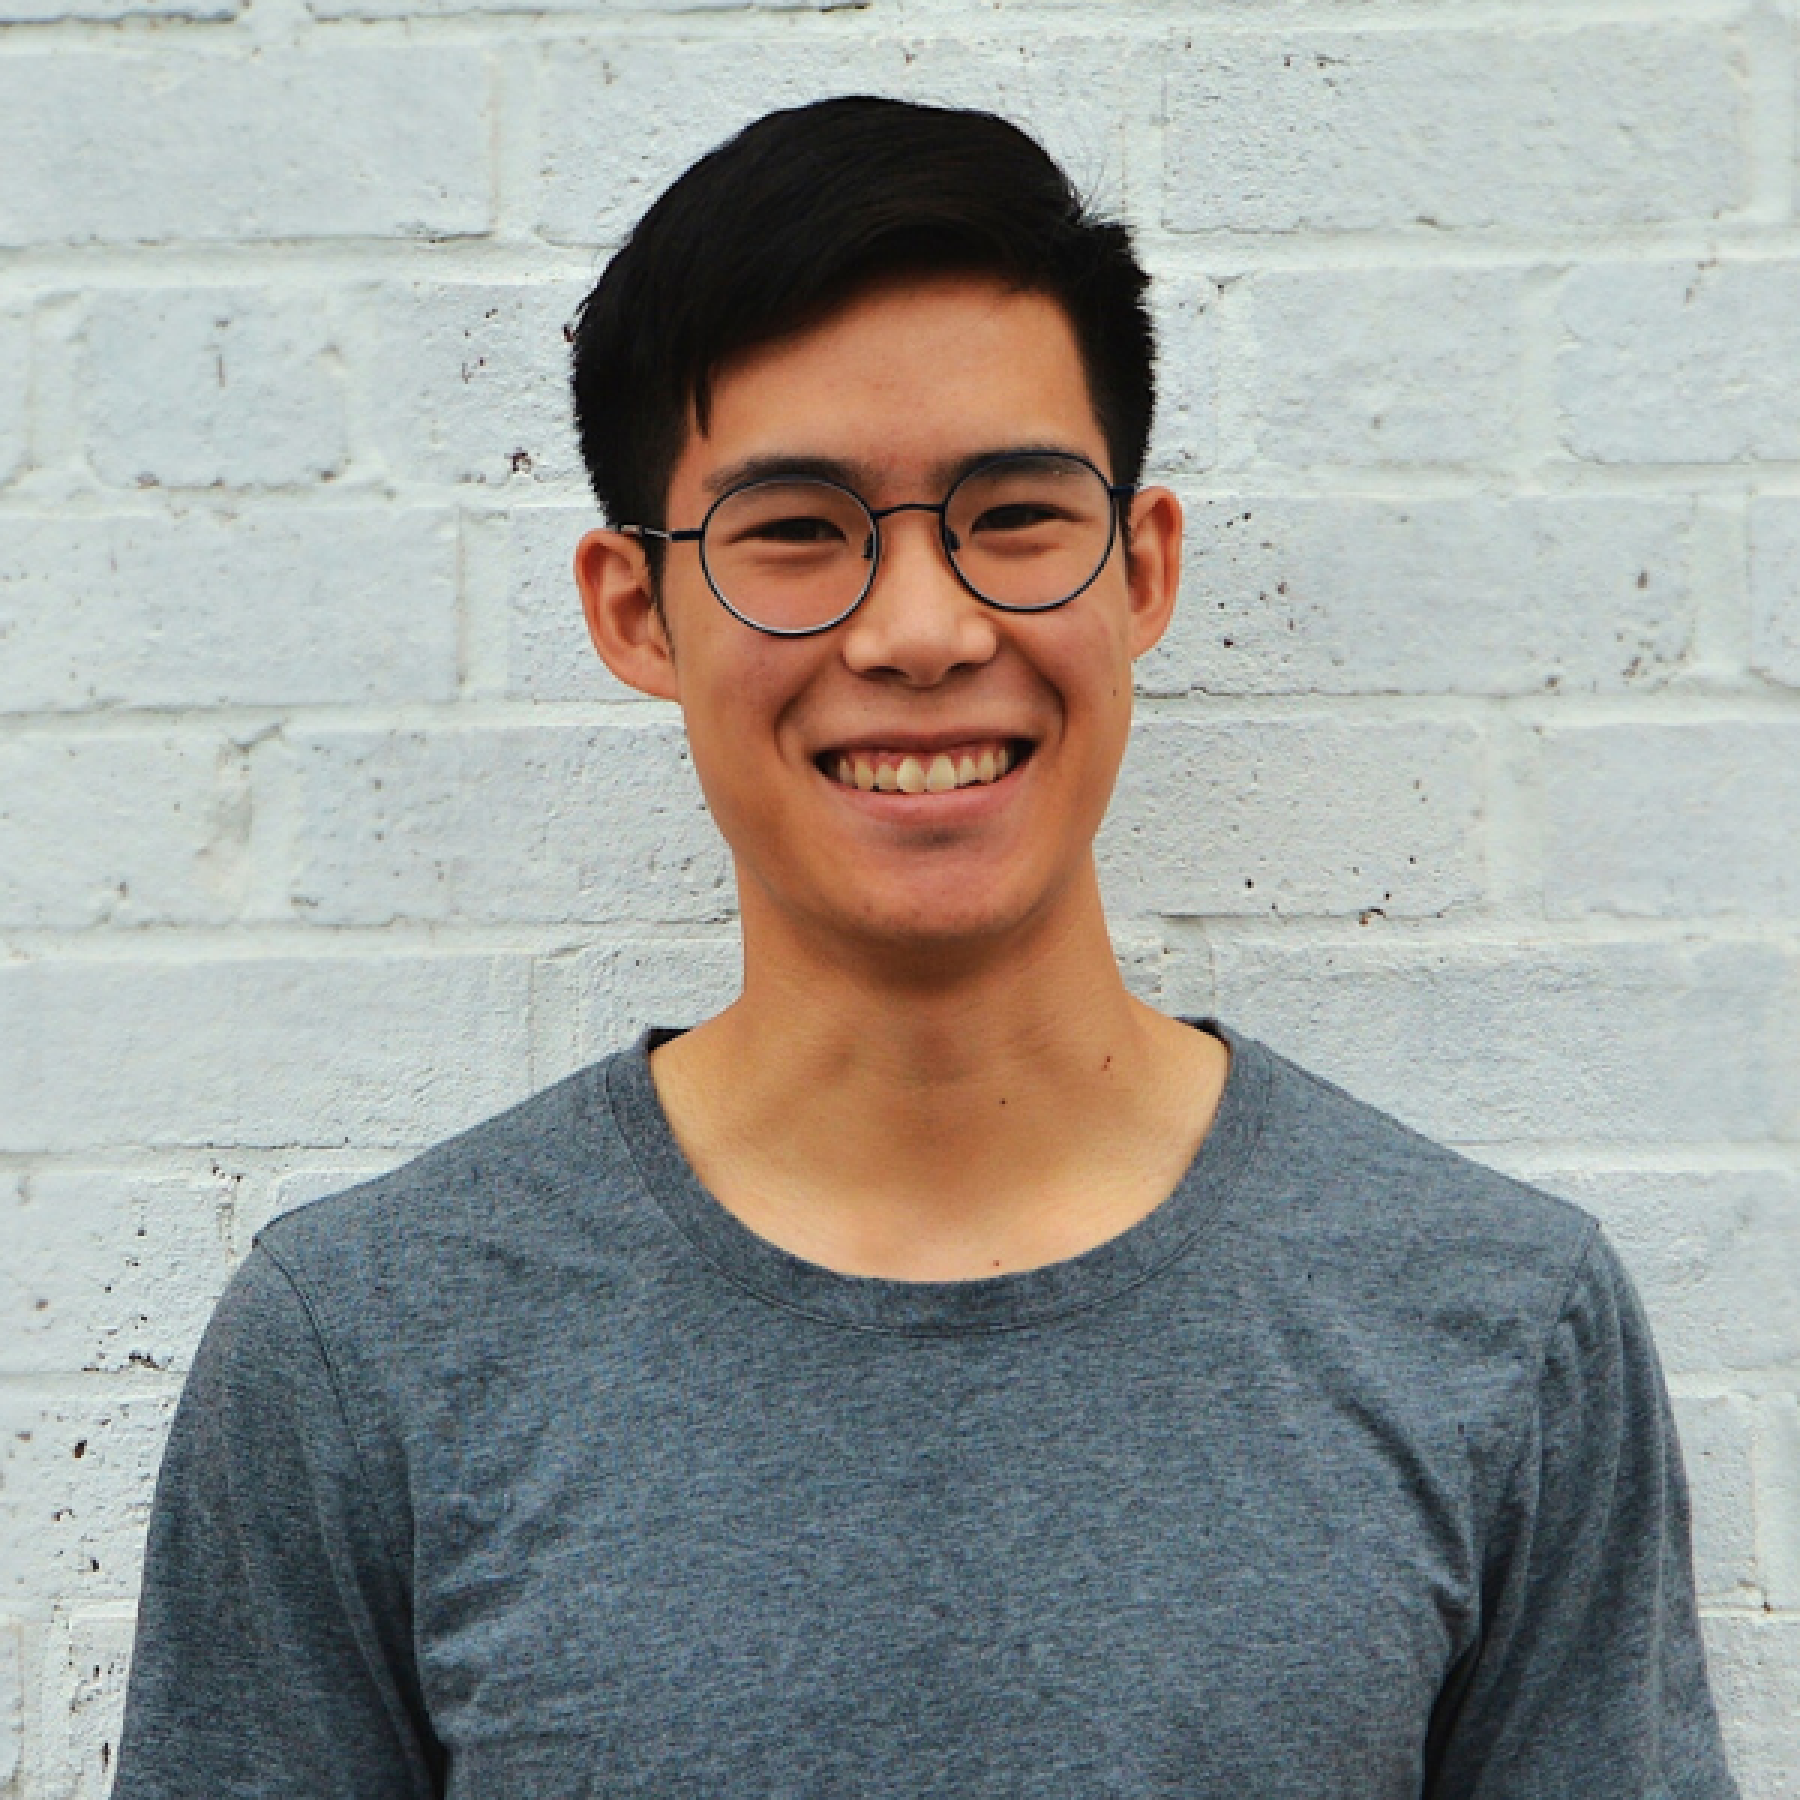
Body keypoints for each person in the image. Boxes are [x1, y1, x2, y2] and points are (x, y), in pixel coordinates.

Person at [114, 97, 1740, 1798]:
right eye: (797, 531)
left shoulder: (1492, 1320)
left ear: (1144, 568)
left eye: (1017, 515)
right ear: (633, 611)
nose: (918, 630)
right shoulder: (365, 1349)